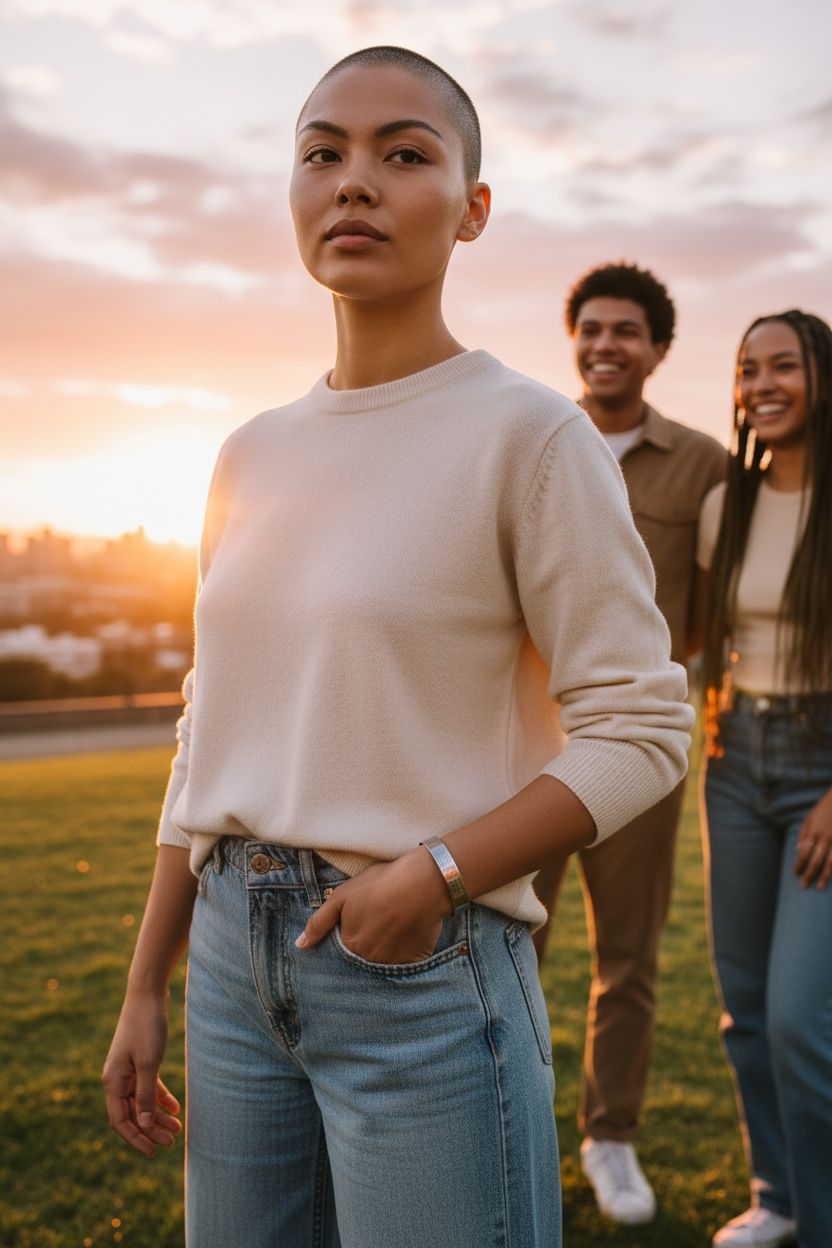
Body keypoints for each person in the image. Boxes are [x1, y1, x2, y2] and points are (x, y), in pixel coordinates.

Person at [102, 48, 693, 1248]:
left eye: (404, 153)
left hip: (419, 965)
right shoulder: (246, 455)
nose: (354, 181)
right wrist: (147, 979)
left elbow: (643, 729)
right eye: (323, 152)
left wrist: (431, 872)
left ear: (474, 209)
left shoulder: (530, 437)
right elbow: (207, 723)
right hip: (227, 964)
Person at [533, 262, 726, 1225]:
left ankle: (610, 1138)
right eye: (591, 329)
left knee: (630, 960)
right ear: (574, 338)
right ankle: (511, 1117)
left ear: (657, 350)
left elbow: (720, 611)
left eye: (627, 332)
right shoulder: (531, 441)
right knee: (510, 939)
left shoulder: (705, 466)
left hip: (640, 748)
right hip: (524, 745)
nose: (606, 345)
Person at [697, 309, 832, 1248]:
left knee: (798, 1018)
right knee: (745, 1009)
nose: (764, 385)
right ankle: (777, 1198)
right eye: (749, 371)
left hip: (825, 768)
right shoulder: (726, 505)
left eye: (784, 366)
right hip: (735, 758)